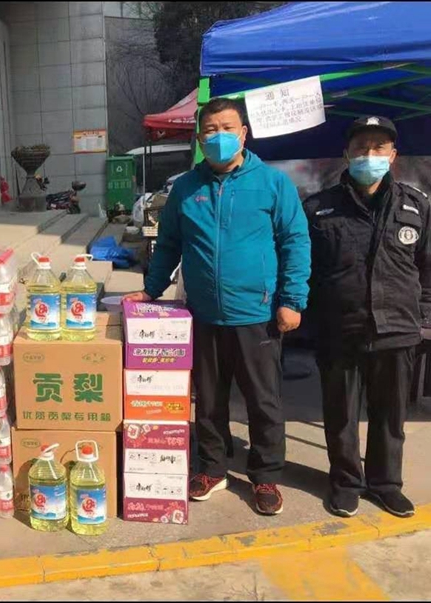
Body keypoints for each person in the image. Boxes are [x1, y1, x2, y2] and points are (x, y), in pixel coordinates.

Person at [125, 98, 311, 516]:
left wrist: (292, 300)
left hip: (257, 315)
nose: (219, 136)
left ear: (243, 134)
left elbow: (295, 242)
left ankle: (265, 475)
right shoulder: (186, 188)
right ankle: (213, 467)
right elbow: (168, 243)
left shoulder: (272, 183)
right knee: (208, 400)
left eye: (227, 128)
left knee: (263, 402)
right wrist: (151, 290)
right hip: (203, 313)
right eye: (210, 130)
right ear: (199, 138)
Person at [303, 116, 430, 519]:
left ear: (393, 156)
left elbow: (427, 269)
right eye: (361, 147)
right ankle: (345, 483)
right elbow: (305, 271)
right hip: (339, 328)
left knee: (390, 415)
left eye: (378, 148)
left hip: (397, 327)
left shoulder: (417, 206)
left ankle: (386, 484)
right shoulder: (318, 208)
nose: (369, 155)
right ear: (347, 153)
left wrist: (423, 319)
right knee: (341, 413)